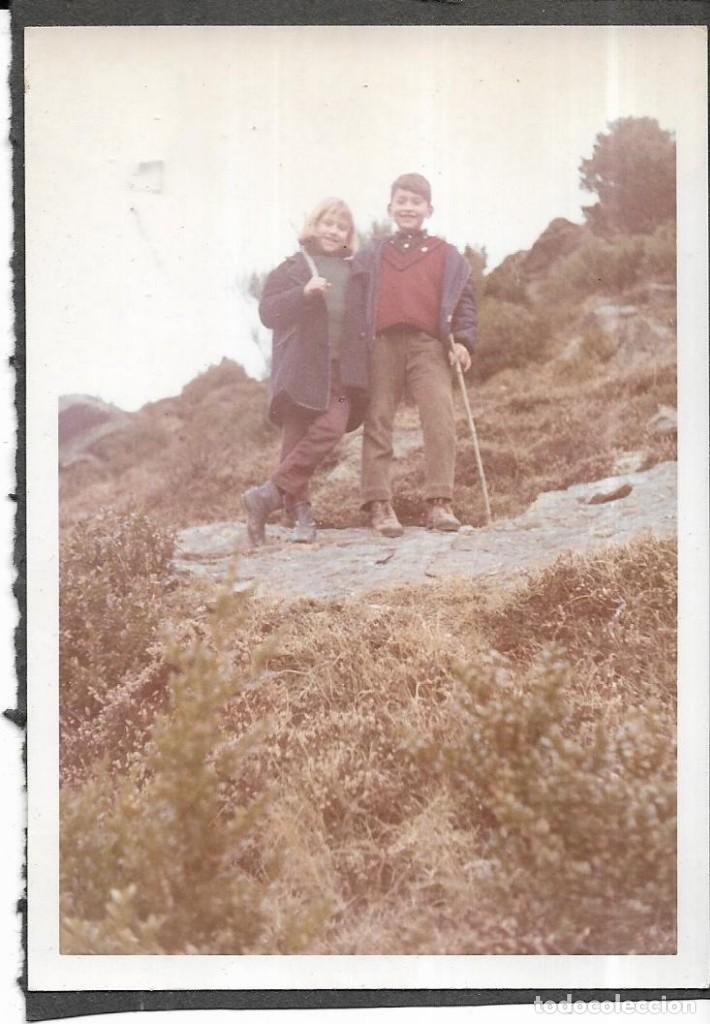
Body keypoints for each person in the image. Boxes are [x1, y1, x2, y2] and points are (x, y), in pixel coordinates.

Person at [354, 172, 477, 537]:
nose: (408, 207)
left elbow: (466, 302)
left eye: (416, 201)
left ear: (429, 209)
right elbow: (352, 298)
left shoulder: (447, 254)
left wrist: (464, 342)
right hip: (382, 344)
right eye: (402, 201)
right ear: (390, 207)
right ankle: (379, 504)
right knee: (377, 418)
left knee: (440, 415)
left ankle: (440, 502)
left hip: (429, 345)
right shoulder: (372, 252)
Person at [242, 198, 368, 545]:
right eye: (327, 222)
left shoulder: (357, 272)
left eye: (341, 226)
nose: (333, 230)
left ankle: (266, 497)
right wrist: (304, 293)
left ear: (349, 234)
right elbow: (268, 313)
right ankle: (300, 516)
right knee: (294, 443)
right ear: (313, 225)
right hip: (302, 369)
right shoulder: (292, 268)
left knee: (332, 426)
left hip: (343, 373)